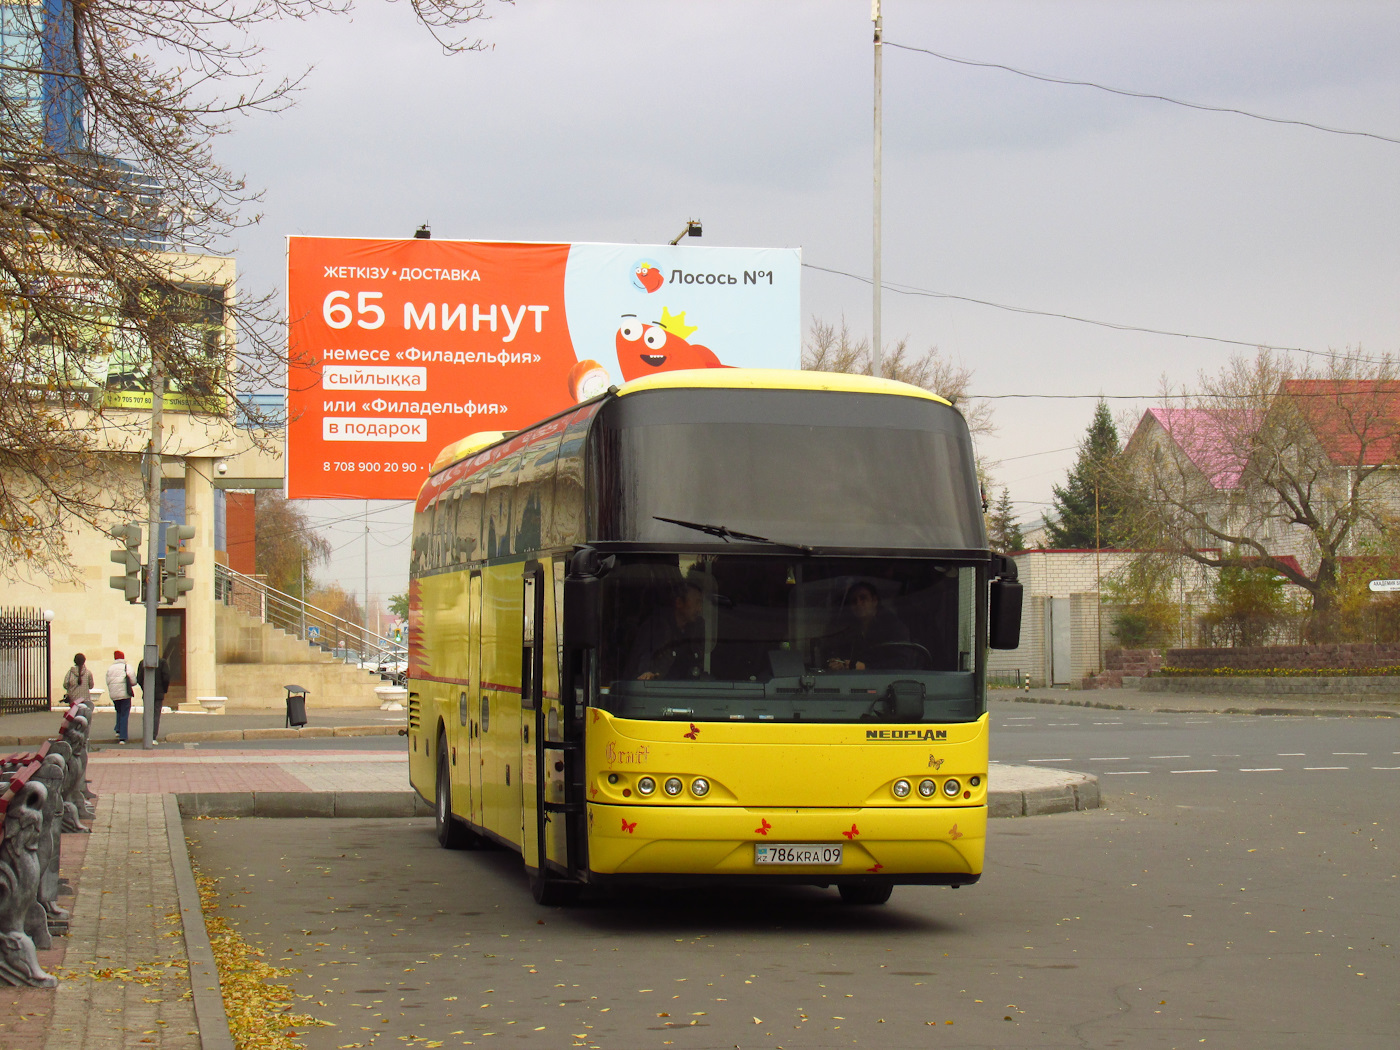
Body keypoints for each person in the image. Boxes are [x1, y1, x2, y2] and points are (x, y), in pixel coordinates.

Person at [624, 579, 706, 680]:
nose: (699, 609)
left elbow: (697, 663)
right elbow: (645, 657)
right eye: (697, 603)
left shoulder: (696, 628)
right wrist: (646, 672)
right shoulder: (656, 627)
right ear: (679, 603)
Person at [824, 582, 909, 671]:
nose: (858, 604)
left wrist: (866, 667)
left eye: (863, 598)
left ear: (874, 601)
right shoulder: (848, 629)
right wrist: (840, 663)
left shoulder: (894, 626)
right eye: (854, 601)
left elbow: (902, 662)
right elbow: (839, 653)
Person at [135, 655, 171, 743]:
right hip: (158, 693)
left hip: (147, 693)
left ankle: (147, 735)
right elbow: (166, 677)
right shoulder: (162, 663)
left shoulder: (143, 663)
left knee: (147, 713)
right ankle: (153, 737)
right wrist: (164, 689)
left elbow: (139, 678)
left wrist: (144, 688)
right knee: (156, 715)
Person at [105, 650, 137, 744]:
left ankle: (118, 730)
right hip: (125, 694)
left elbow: (108, 681)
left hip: (114, 694)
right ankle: (122, 737)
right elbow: (133, 681)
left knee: (118, 711)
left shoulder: (110, 668)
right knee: (124, 714)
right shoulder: (127, 667)